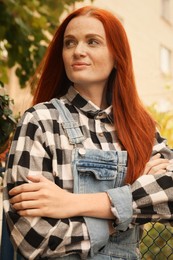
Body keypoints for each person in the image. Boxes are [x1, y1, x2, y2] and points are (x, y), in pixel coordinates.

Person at [3, 6, 173, 260]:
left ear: (117, 56)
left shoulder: (141, 129)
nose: (78, 51)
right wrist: (120, 218)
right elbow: (32, 237)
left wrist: (73, 203)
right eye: (69, 43)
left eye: (92, 42)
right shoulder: (40, 120)